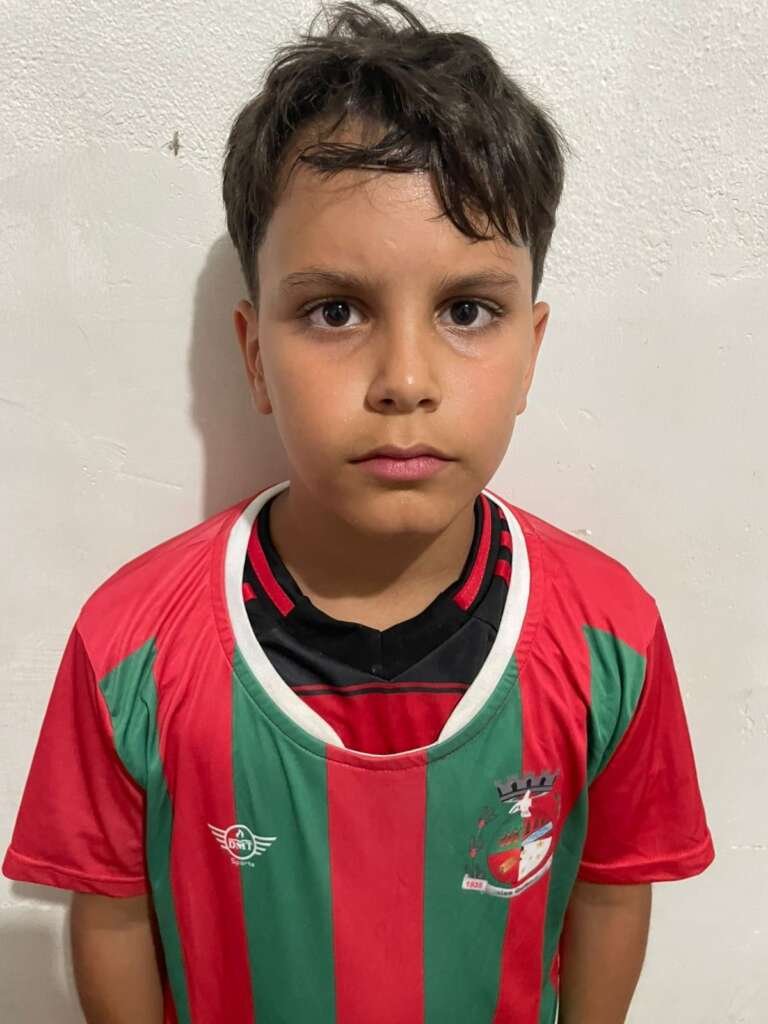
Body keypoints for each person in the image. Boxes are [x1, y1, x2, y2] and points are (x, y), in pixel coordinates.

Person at [2, 1, 715, 1021]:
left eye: (467, 310)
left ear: (531, 352)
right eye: (335, 310)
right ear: (255, 355)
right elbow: (110, 914)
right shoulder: (130, 653)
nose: (406, 380)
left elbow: (611, 885)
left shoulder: (612, 638)